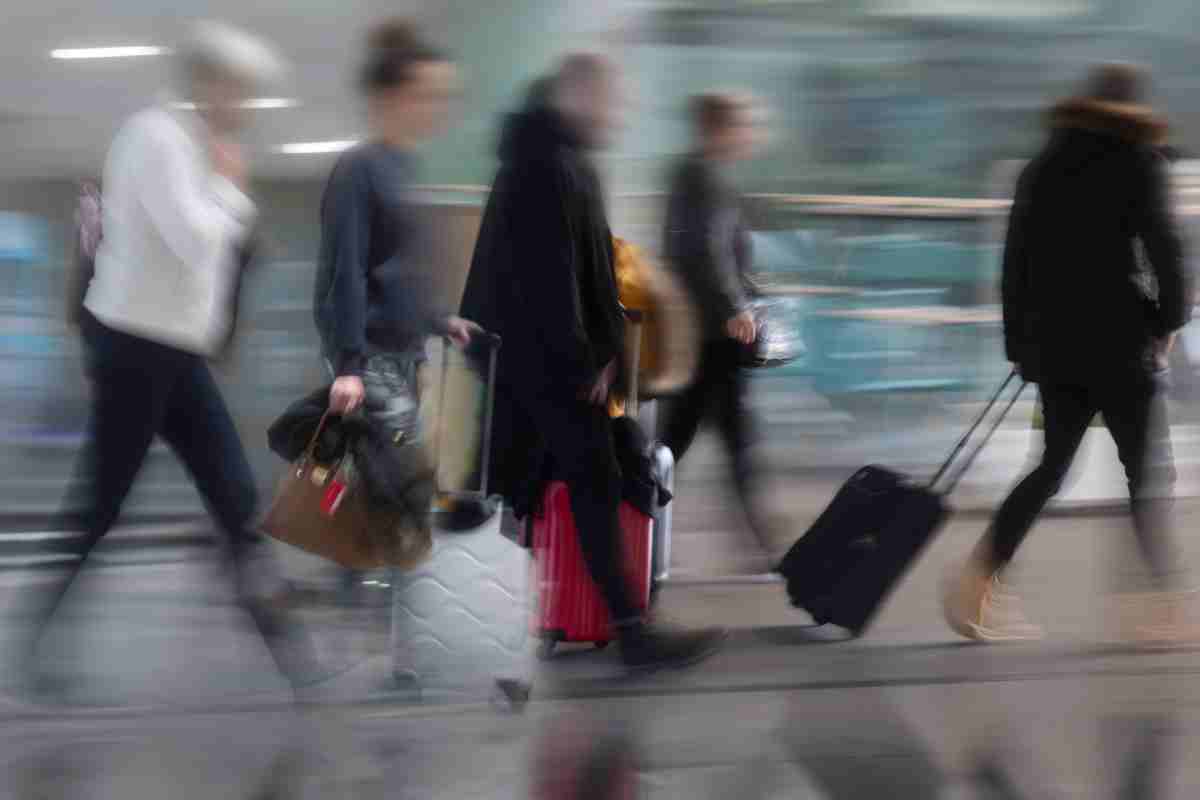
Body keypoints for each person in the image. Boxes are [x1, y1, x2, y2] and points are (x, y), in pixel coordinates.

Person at [11, 22, 329, 699]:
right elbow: (191, 240)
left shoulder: (194, 147)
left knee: (235, 495)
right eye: (241, 92)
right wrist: (233, 192)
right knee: (103, 502)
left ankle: (297, 665)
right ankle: (32, 642)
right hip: (133, 345)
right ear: (211, 84)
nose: (247, 108)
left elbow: (203, 268)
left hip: (175, 352)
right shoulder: (155, 137)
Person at [460, 54, 724, 671]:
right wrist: (587, 362)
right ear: (577, 96)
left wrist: (608, 349)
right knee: (583, 477)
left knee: (530, 479)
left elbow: (592, 269)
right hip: (543, 360)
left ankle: (601, 623)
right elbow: (549, 280)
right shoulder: (544, 165)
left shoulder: (559, 159)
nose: (621, 113)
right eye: (613, 101)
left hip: (545, 358)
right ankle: (627, 632)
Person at [943, 64, 1194, 643]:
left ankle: (976, 583)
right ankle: (1159, 603)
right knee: (1148, 473)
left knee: (1051, 467)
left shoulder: (1042, 166)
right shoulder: (1140, 161)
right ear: (1134, 106)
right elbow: (1166, 249)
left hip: (1056, 347)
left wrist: (1020, 345)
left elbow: (1014, 264)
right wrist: (1168, 321)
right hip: (1122, 343)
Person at [312, 20, 478, 605]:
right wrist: (349, 363)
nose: (438, 107)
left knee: (382, 477)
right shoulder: (359, 169)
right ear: (391, 97)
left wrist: (439, 318)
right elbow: (346, 271)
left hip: (401, 352)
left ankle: (357, 590)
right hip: (374, 357)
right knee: (406, 482)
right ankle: (416, 616)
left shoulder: (402, 168)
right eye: (428, 94)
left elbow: (399, 267)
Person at [659, 91, 780, 568]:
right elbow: (707, 251)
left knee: (702, 436)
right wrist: (737, 306)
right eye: (744, 125)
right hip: (713, 332)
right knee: (712, 437)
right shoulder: (703, 177)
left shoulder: (698, 173)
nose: (750, 135)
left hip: (705, 330)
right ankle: (761, 540)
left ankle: (758, 537)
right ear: (718, 128)